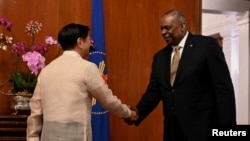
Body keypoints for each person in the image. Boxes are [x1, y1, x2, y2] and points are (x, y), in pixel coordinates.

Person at [125, 9, 236, 141]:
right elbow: (154, 91)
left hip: (203, 130)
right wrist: (137, 112)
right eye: (161, 29)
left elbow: (223, 90)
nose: (163, 33)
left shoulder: (206, 46)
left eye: (167, 28)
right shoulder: (160, 57)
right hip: (173, 132)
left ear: (182, 26)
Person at [26, 23, 137, 141]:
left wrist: (32, 138)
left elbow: (35, 112)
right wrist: (129, 113)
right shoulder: (87, 68)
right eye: (89, 39)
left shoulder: (46, 71)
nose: (90, 43)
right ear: (80, 42)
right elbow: (108, 101)